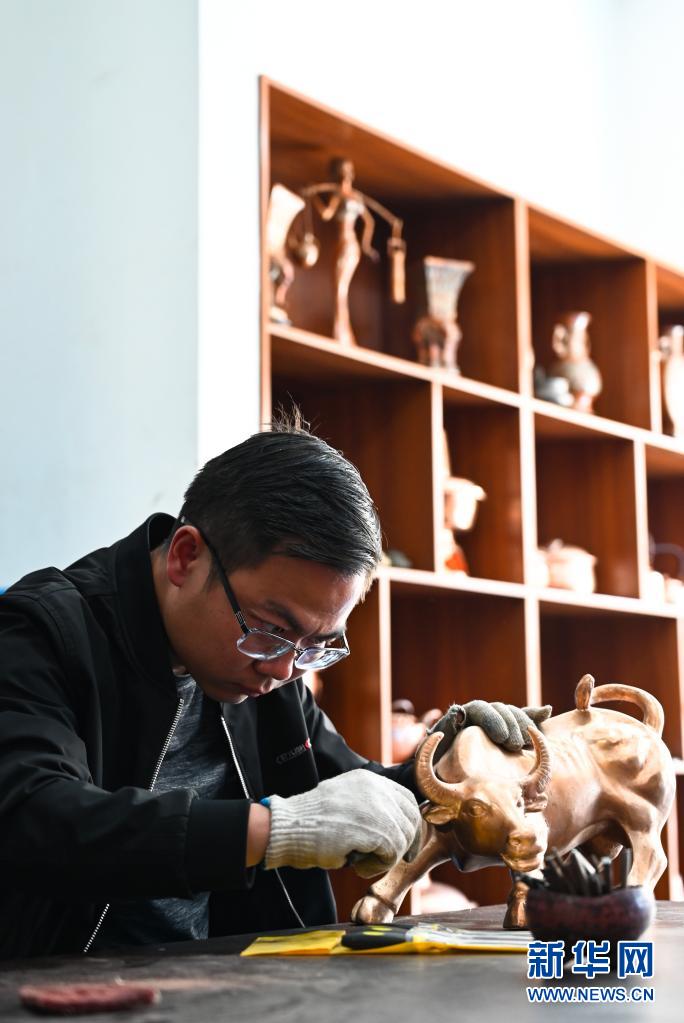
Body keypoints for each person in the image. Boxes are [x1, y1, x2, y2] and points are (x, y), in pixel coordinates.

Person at [0, 417, 548, 959]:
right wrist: (272, 830)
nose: (286, 669)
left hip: (227, 974)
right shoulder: (39, 633)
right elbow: (33, 817)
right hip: (54, 983)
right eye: (270, 628)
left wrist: (453, 763)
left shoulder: (268, 664)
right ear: (186, 556)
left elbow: (350, 791)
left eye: (318, 644)